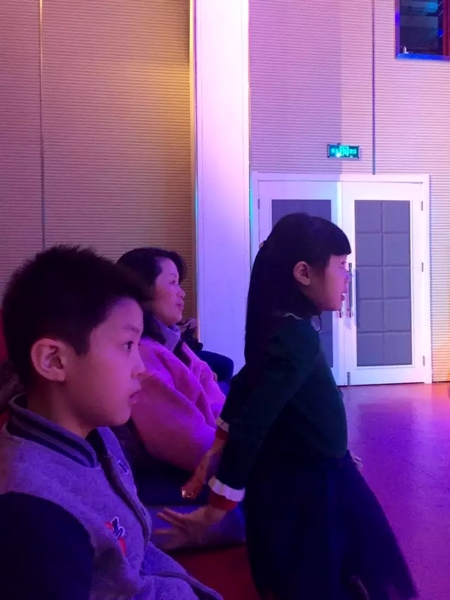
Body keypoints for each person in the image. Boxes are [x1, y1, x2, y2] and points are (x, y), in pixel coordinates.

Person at [157, 214, 418, 600]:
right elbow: (254, 420)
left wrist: (216, 449)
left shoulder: (282, 327)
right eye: (341, 266)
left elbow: (245, 386)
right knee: (321, 578)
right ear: (304, 273)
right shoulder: (295, 337)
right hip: (311, 487)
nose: (347, 277)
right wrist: (217, 505)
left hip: (313, 472)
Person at [0, 246, 221, 600]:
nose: (141, 367)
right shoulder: (33, 512)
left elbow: (135, 554)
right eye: (127, 345)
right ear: (54, 360)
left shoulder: (97, 433)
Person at [117, 248, 226, 473]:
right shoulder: (142, 356)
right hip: (184, 472)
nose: (182, 293)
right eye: (173, 282)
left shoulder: (173, 343)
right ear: (144, 290)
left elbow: (217, 404)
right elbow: (191, 444)